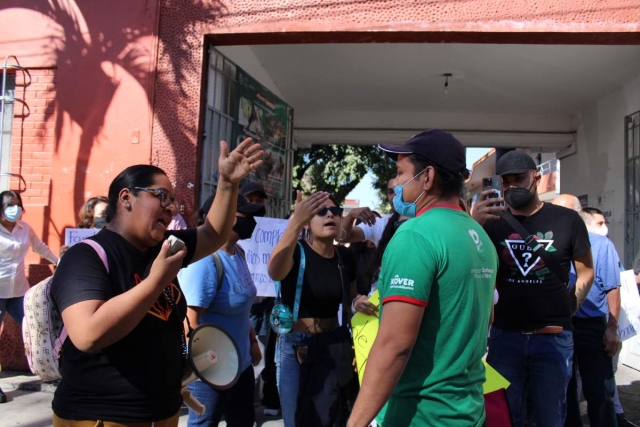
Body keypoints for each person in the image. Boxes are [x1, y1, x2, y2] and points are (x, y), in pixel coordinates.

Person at [49, 138, 263, 426]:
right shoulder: (86, 257)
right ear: (126, 198)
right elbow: (88, 334)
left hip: (162, 413)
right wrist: (155, 282)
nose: (171, 208)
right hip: (101, 418)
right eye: (161, 196)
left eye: (172, 200)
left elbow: (213, 235)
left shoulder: (164, 247)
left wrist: (227, 182)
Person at [348, 129, 497, 427]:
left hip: (420, 415)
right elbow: (487, 316)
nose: (396, 183)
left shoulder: (415, 235)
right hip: (467, 410)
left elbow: (395, 345)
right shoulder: (477, 234)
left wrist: (355, 423)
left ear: (427, 177)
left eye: (401, 173)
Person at [472, 151, 594, 427]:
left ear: (536, 177)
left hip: (553, 340)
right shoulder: (491, 223)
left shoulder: (568, 220)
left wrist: (572, 304)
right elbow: (465, 264)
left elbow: (586, 270)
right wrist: (474, 221)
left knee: (551, 417)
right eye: (506, 181)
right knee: (505, 417)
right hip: (505, 339)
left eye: (519, 178)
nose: (513, 186)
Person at [268, 190, 357, 427]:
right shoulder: (296, 252)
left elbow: (351, 300)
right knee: (298, 420)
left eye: (336, 211)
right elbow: (275, 271)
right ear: (307, 220)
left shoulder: (345, 257)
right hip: (296, 348)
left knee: (332, 419)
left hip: (333, 345)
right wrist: (295, 222)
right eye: (320, 211)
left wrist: (358, 307)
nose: (330, 215)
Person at [178, 193, 266, 426]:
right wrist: (211, 365)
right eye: (245, 215)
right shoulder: (204, 260)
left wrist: (253, 341)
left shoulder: (239, 253)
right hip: (212, 369)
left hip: (241, 364)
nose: (251, 221)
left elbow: (241, 309)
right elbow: (189, 320)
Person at [551, 198, 620, 427]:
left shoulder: (600, 244)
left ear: (575, 216)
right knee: (564, 392)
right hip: (560, 327)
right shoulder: (547, 242)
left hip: (591, 327)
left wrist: (612, 327)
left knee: (600, 392)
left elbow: (612, 287)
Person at [0, 190, 58, 404]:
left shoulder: (25, 229)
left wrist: (58, 261)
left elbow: (40, 247)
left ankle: (51, 372)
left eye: (17, 203)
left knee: (38, 329)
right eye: (9, 204)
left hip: (18, 291)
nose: (14, 208)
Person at [339, 178, 397, 247]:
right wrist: (350, 215)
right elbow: (340, 237)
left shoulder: (413, 219)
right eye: (391, 192)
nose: (394, 196)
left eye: (399, 191)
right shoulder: (378, 224)